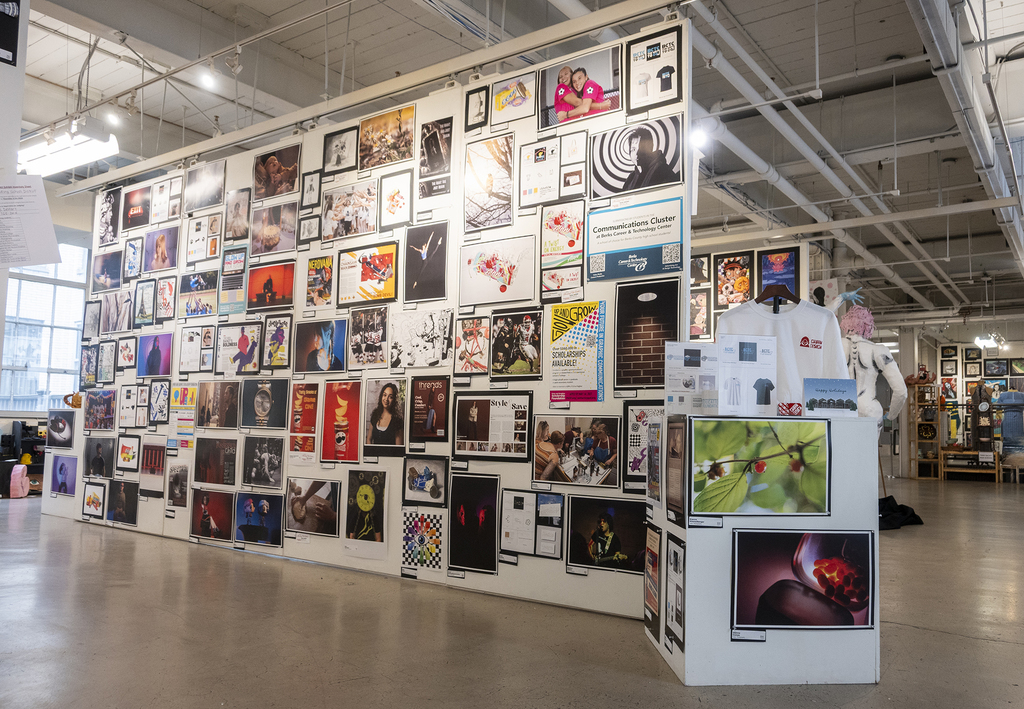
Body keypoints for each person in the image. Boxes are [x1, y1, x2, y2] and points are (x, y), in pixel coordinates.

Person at [620, 126, 677, 193]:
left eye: (642, 148)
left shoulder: (663, 170)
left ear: (650, 147)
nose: (637, 153)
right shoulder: (630, 178)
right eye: (633, 149)